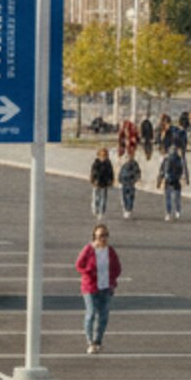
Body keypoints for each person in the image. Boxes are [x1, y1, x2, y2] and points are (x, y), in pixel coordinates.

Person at [75, 222, 120, 354]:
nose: (103, 238)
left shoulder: (110, 251)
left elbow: (117, 268)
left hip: (106, 287)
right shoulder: (89, 250)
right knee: (91, 313)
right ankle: (90, 342)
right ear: (94, 236)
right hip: (90, 287)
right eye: (100, 236)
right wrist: (88, 273)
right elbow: (79, 265)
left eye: (106, 235)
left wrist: (111, 280)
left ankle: (98, 341)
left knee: (104, 316)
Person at [157, 139, 188, 220]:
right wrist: (185, 179)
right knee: (176, 197)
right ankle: (177, 211)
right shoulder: (179, 159)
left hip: (169, 181)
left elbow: (162, 171)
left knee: (168, 198)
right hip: (176, 181)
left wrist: (159, 181)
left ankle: (169, 213)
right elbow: (182, 170)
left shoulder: (166, 159)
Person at [89, 147, 114, 219]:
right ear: (98, 155)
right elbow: (93, 172)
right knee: (95, 197)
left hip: (104, 184)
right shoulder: (96, 163)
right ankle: (95, 208)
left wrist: (110, 180)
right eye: (101, 156)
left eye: (105, 156)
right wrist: (93, 180)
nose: (103, 158)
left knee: (103, 198)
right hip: (96, 183)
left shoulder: (108, 164)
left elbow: (110, 173)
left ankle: (101, 212)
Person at [116, 150, 141, 220]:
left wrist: (134, 180)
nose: (128, 158)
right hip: (124, 183)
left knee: (130, 197)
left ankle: (129, 210)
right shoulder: (124, 165)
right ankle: (126, 208)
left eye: (129, 156)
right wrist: (120, 179)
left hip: (130, 184)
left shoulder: (134, 164)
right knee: (124, 197)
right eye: (126, 157)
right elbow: (121, 173)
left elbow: (137, 173)